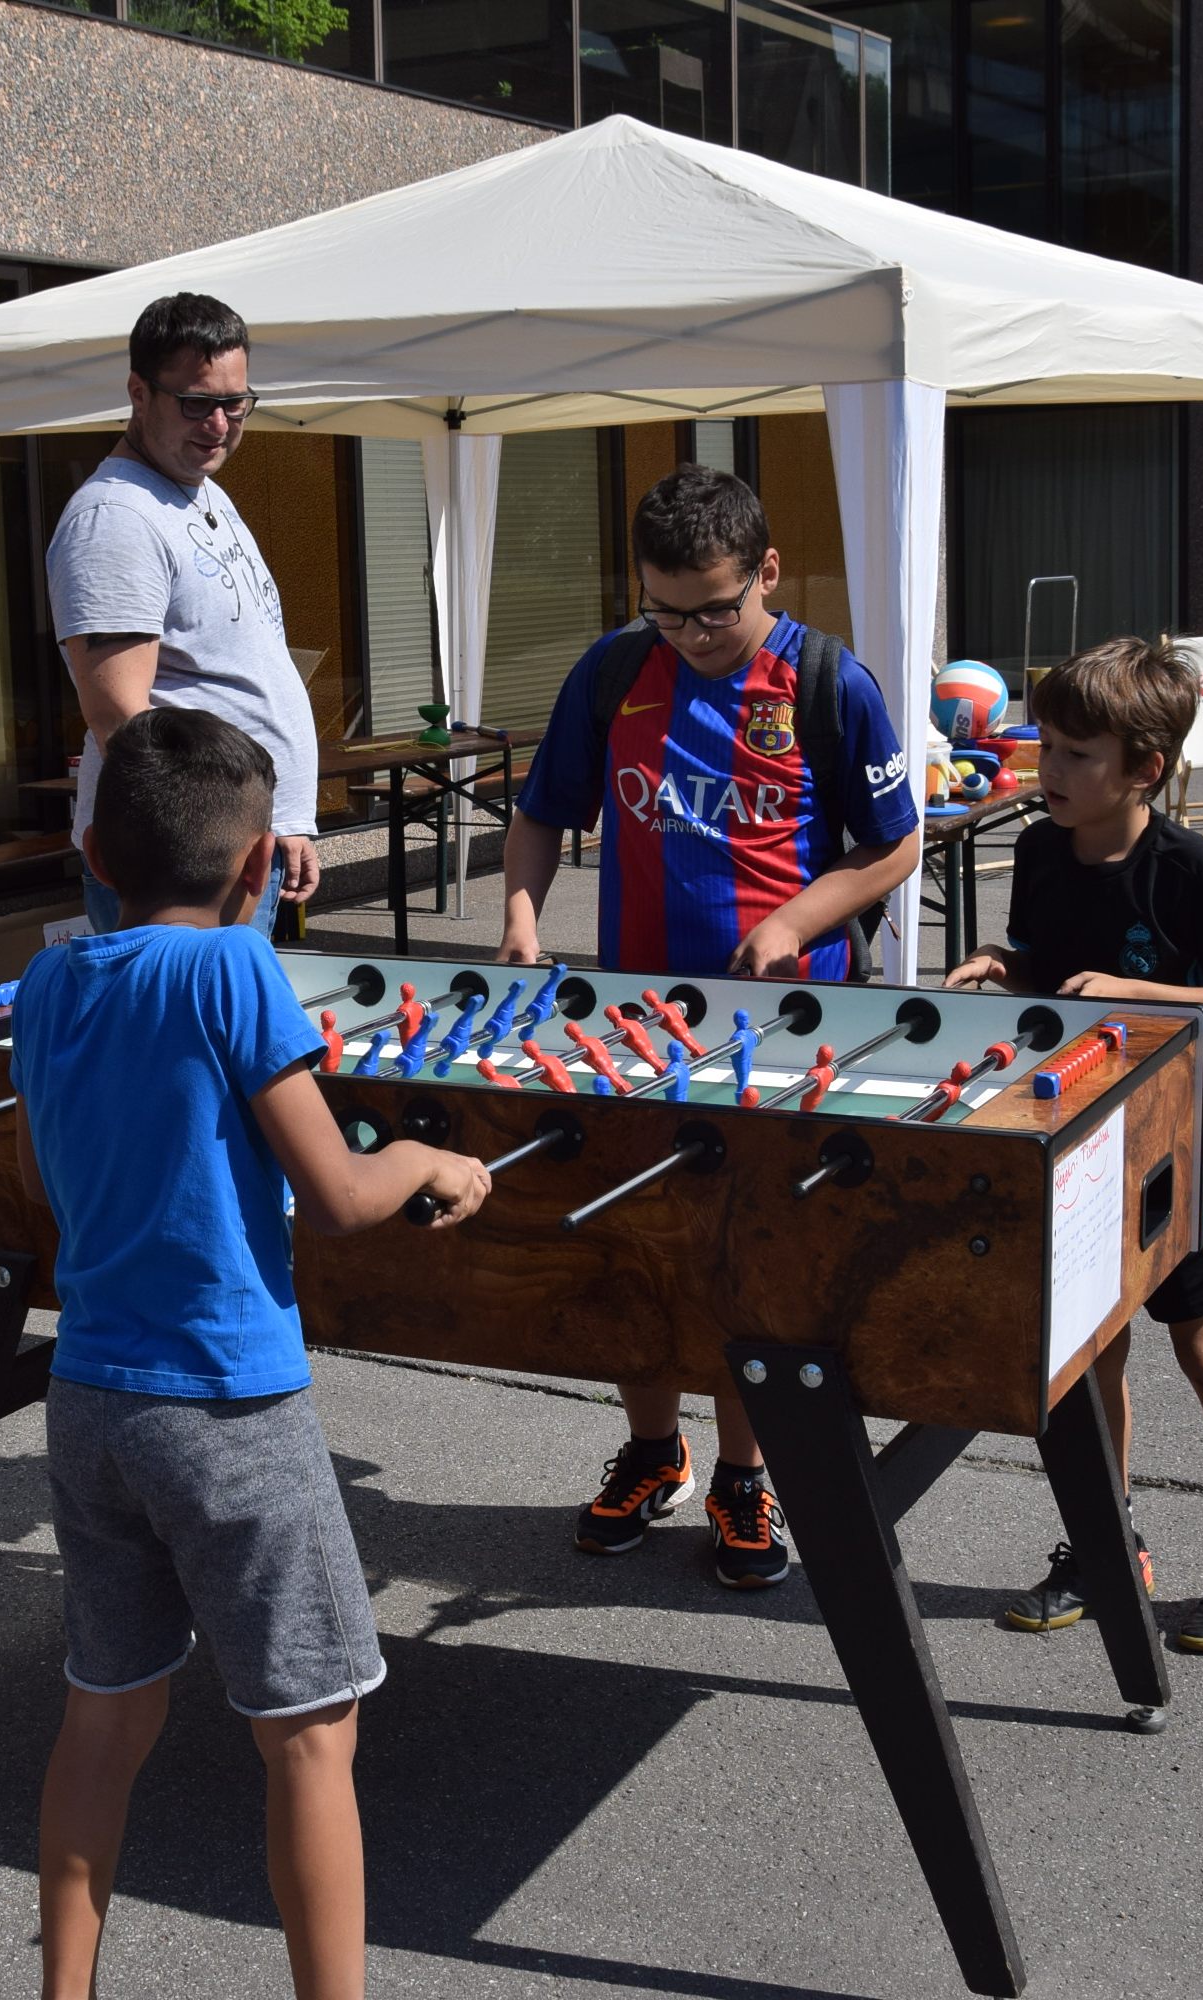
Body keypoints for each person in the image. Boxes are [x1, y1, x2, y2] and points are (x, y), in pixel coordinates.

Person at [12, 705, 490, 2000]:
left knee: (104, 1710)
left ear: (97, 853)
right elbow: (336, 1192)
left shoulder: (52, 979)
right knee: (310, 1738)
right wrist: (427, 1159)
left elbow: (44, 1175)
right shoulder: (233, 972)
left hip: (89, 1399)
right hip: (228, 1406)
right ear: (250, 873)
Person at [498, 464, 922, 1589]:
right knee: (635, 1246)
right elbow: (542, 811)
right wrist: (519, 915)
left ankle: (744, 1473)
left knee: (743, 1262)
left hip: (782, 1025)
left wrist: (793, 915)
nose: (688, 632)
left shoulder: (830, 680)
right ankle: (652, 1448)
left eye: (713, 608)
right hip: (632, 1020)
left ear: (766, 571)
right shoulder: (613, 669)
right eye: (665, 608)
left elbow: (892, 844)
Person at [945, 637, 1203, 1652]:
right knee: (1091, 1351)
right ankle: (1109, 1543)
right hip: (1072, 1136)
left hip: (1176, 1145)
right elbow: (1048, 977)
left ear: (1141, 768)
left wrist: (1142, 990)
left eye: (1073, 754)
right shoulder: (1043, 849)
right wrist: (999, 971)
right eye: (1042, 745)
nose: (1045, 771)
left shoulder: (1190, 868)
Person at [47, 291, 322, 938]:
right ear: (139, 393)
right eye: (197, 403)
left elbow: (241, 670)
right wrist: (213, 847)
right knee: (183, 1038)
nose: (220, 424)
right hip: (183, 864)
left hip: (239, 845)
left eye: (236, 403)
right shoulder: (113, 517)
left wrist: (289, 816)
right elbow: (120, 718)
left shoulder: (202, 493)